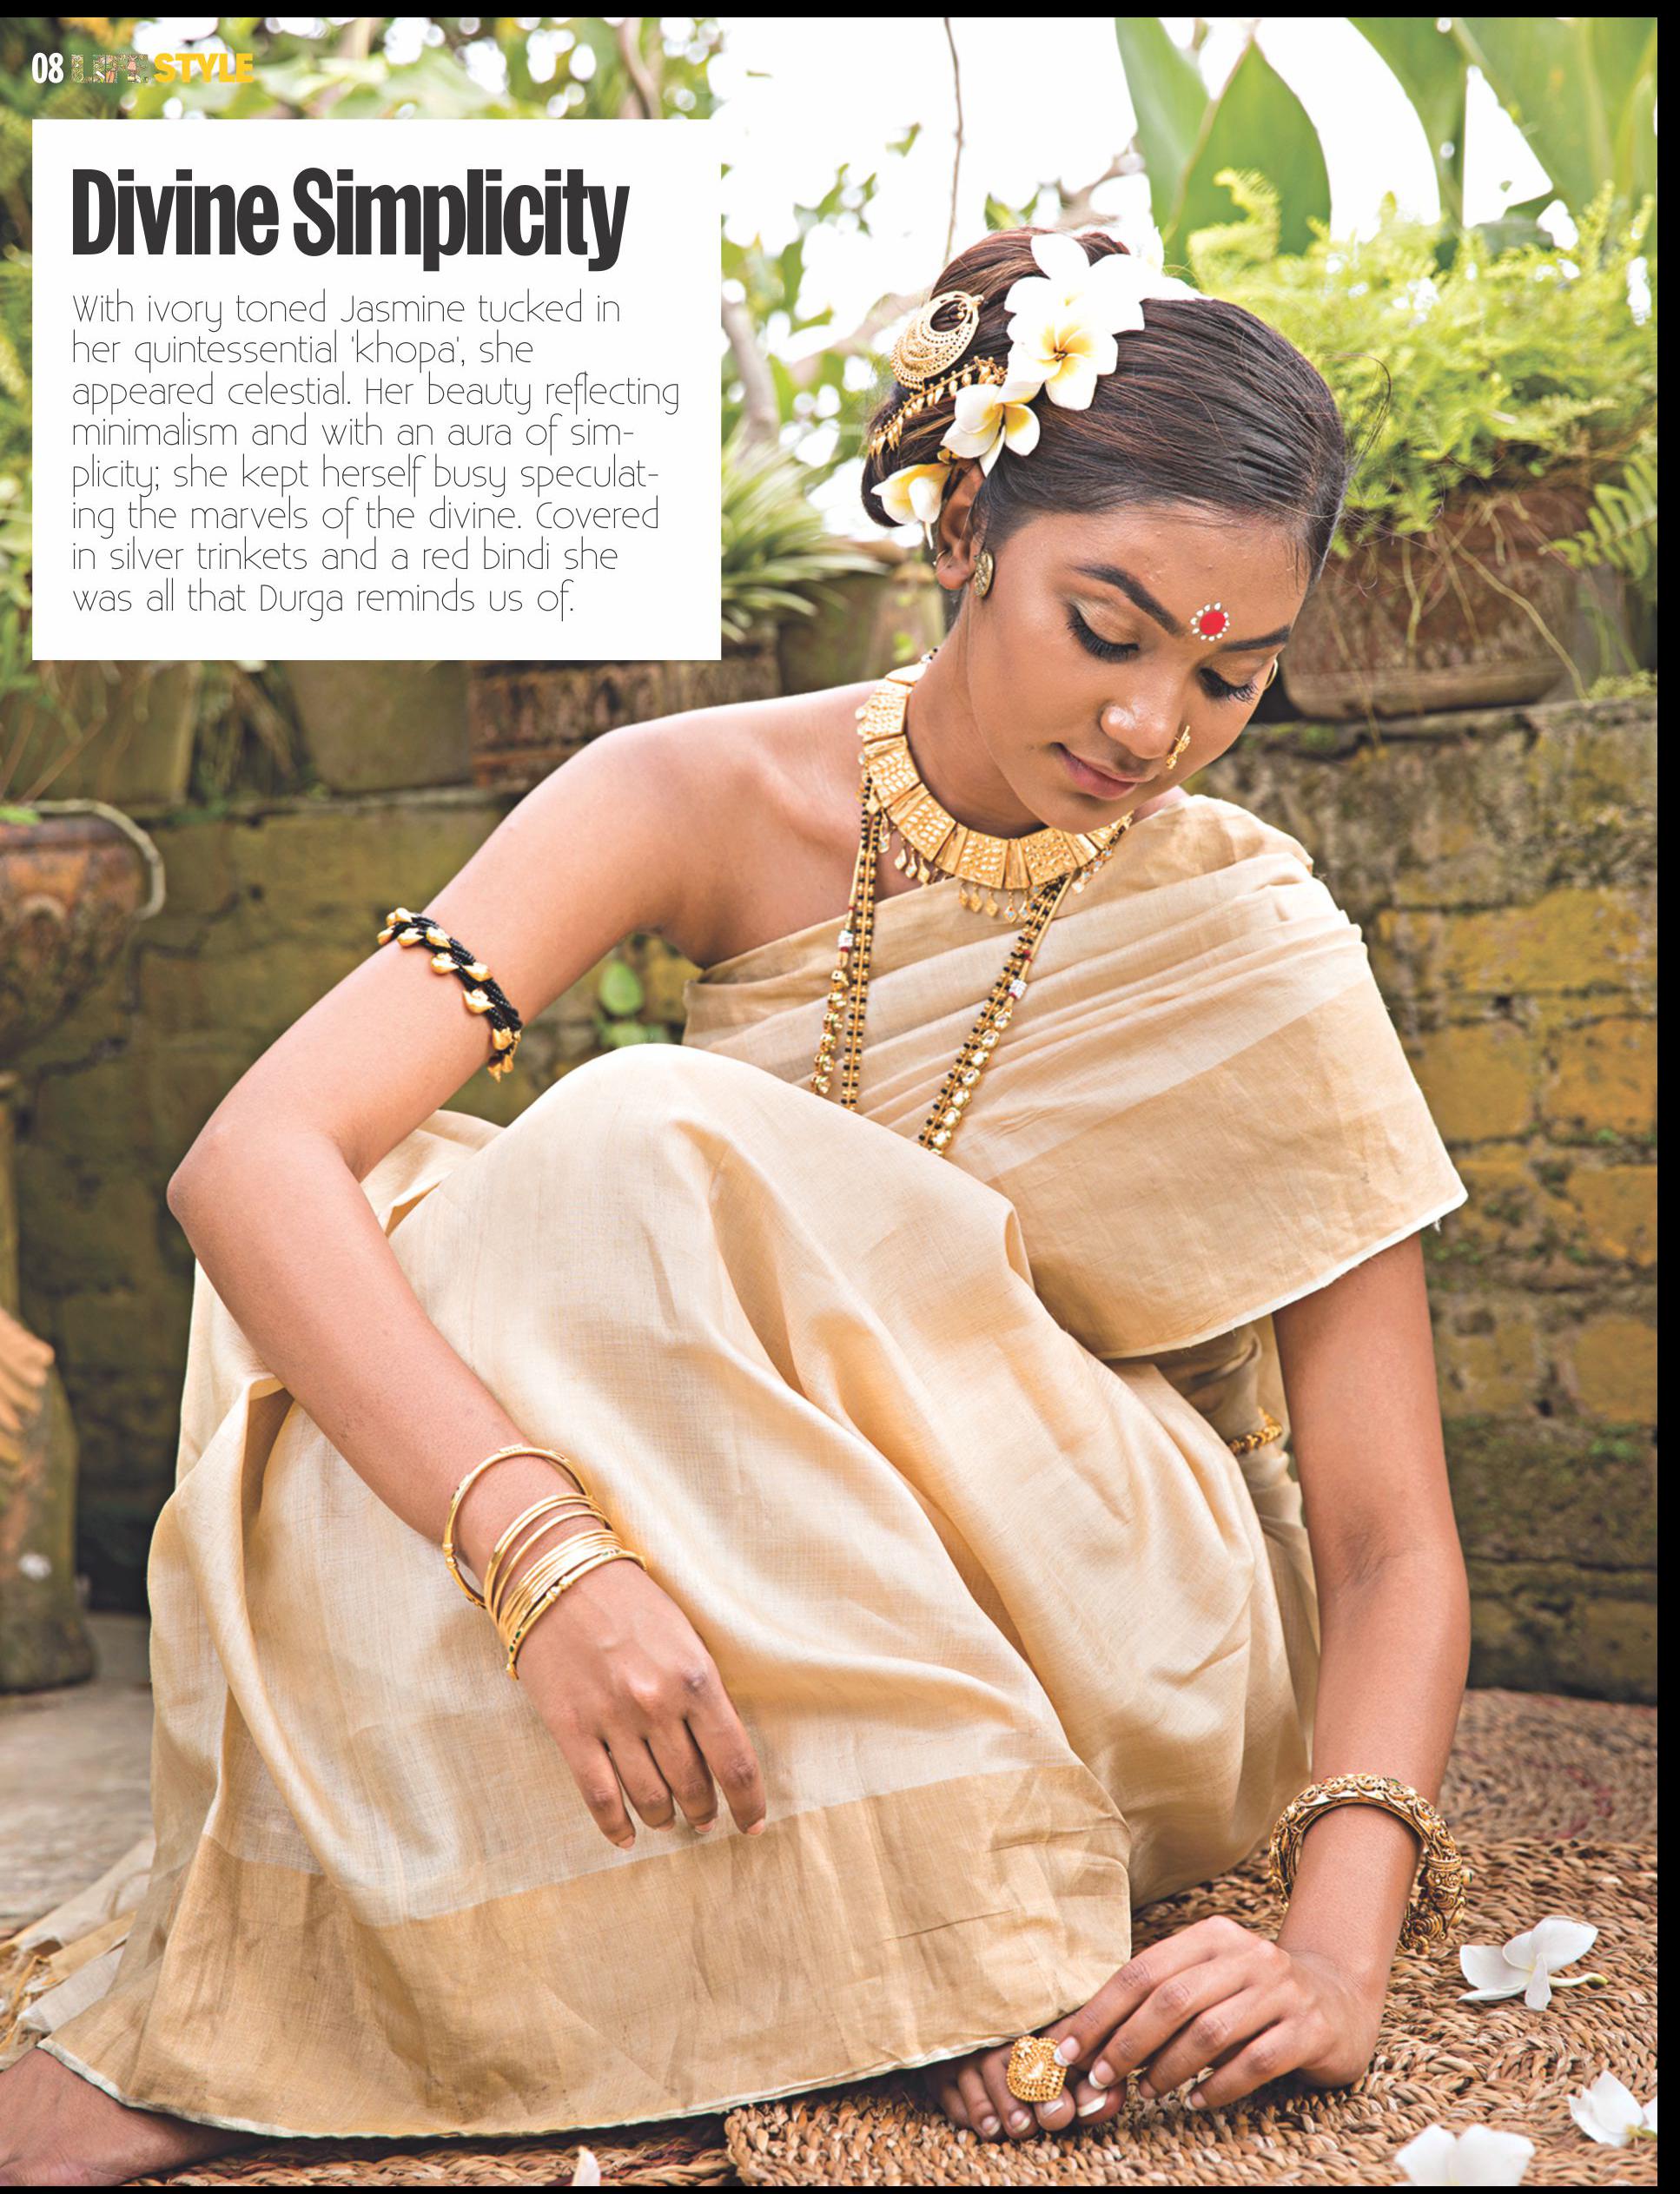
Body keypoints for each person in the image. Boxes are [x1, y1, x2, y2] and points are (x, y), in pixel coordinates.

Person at [0, 226, 1473, 2185]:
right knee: (432, 1245)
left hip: (1129, 1606)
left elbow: (1385, 1541)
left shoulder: (1248, 933)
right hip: (764, 1555)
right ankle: (763, 1953)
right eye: (1105, 629)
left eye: (1230, 674)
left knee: (633, 1134)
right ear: (963, 532)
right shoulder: (689, 796)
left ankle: (955, 1913)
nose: (1152, 727)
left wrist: (1336, 1950)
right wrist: (547, 1561)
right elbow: (255, 1155)